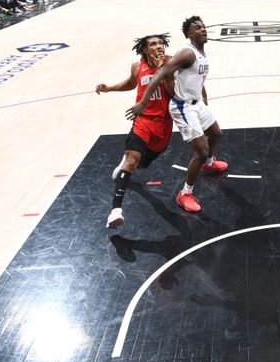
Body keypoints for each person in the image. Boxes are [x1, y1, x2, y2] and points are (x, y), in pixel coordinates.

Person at [127, 16, 227, 214]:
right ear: (189, 34)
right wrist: (143, 102)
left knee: (216, 133)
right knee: (201, 151)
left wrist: (204, 98)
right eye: (197, 28)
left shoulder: (200, 52)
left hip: (196, 103)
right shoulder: (187, 53)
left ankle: (208, 164)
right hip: (183, 107)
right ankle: (185, 194)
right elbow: (161, 73)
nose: (203, 29)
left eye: (203, 26)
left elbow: (199, 79)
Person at [97, 33, 174, 228]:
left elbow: (173, 91)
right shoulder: (137, 67)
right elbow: (132, 83)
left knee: (142, 163)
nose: (158, 46)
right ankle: (115, 211)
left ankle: (124, 163)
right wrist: (109, 88)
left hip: (163, 124)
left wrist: (160, 70)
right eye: (153, 44)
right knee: (132, 159)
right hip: (143, 120)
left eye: (160, 43)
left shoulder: (171, 62)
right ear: (145, 49)